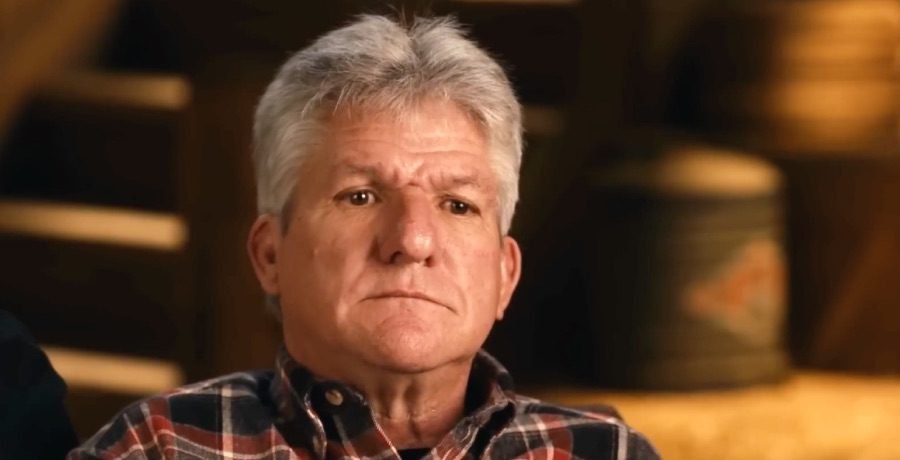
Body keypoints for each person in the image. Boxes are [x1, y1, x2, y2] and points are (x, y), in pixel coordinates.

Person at [70, 14, 658, 459]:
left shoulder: (604, 453)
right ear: (270, 254)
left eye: (458, 205)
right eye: (361, 196)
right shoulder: (160, 447)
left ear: (505, 274)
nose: (412, 240)